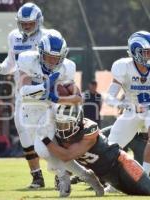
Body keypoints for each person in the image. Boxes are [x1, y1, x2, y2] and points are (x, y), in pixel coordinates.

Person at [40, 105, 150, 196]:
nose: (63, 129)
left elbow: (67, 155)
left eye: (67, 124)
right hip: (110, 174)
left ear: (78, 122)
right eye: (61, 124)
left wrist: (44, 139)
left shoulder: (88, 131)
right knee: (147, 188)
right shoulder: (67, 134)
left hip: (120, 165)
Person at [17, 31, 104, 197]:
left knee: (42, 149)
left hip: (50, 109)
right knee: (50, 153)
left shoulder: (67, 67)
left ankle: (63, 176)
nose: (53, 61)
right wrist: (45, 86)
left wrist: (57, 97)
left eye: (57, 57)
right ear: (40, 53)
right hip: (28, 110)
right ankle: (85, 175)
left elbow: (77, 97)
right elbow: (23, 90)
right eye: (49, 56)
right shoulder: (27, 59)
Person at [104, 30, 150, 176]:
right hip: (132, 110)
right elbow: (109, 96)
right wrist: (120, 104)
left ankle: (143, 176)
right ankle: (114, 181)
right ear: (135, 52)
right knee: (111, 147)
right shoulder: (124, 67)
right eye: (146, 52)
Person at [0, 2, 46, 188]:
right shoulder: (14, 36)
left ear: (38, 21)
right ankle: (37, 176)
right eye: (23, 22)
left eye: (30, 22)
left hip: (44, 92)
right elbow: (10, 64)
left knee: (51, 133)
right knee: (24, 132)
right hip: (22, 94)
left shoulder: (48, 37)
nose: (26, 25)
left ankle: (61, 172)